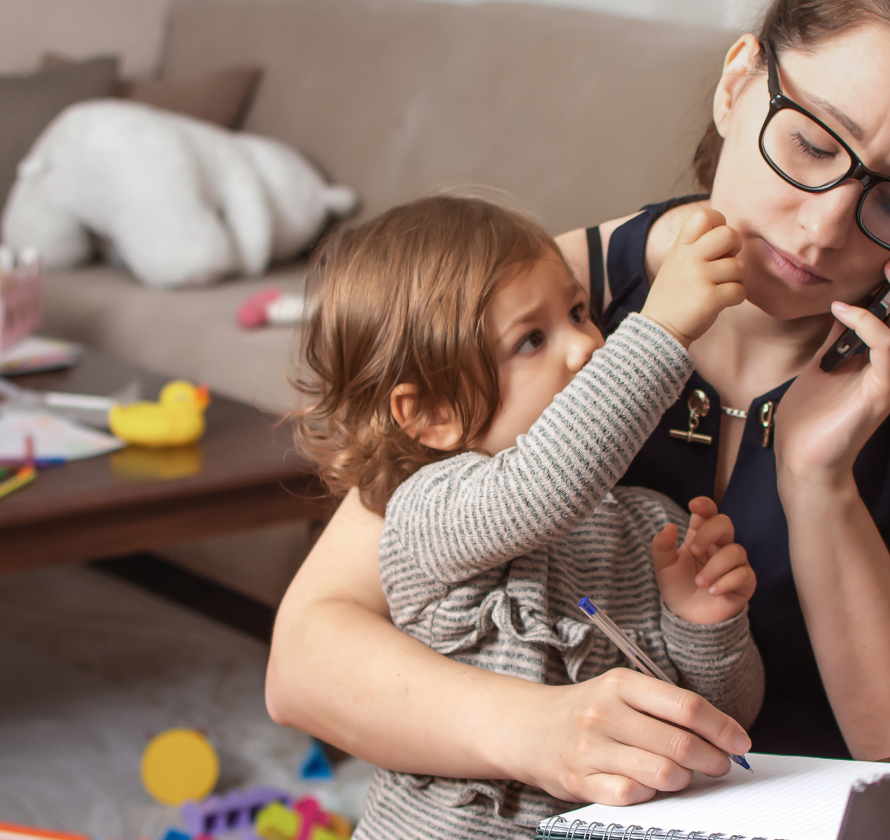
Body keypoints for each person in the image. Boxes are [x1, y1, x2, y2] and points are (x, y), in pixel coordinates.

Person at [269, 0, 890, 808]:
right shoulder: (559, 301)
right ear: (737, 84)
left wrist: (817, 484)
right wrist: (539, 732)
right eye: (809, 143)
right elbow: (306, 659)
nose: (823, 227)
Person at [294, 195, 765, 838]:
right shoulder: (425, 512)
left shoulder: (651, 527)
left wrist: (705, 626)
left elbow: (723, 728)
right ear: (434, 414)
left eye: (578, 311)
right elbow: (540, 489)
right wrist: (662, 329)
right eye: (531, 340)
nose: (585, 346)